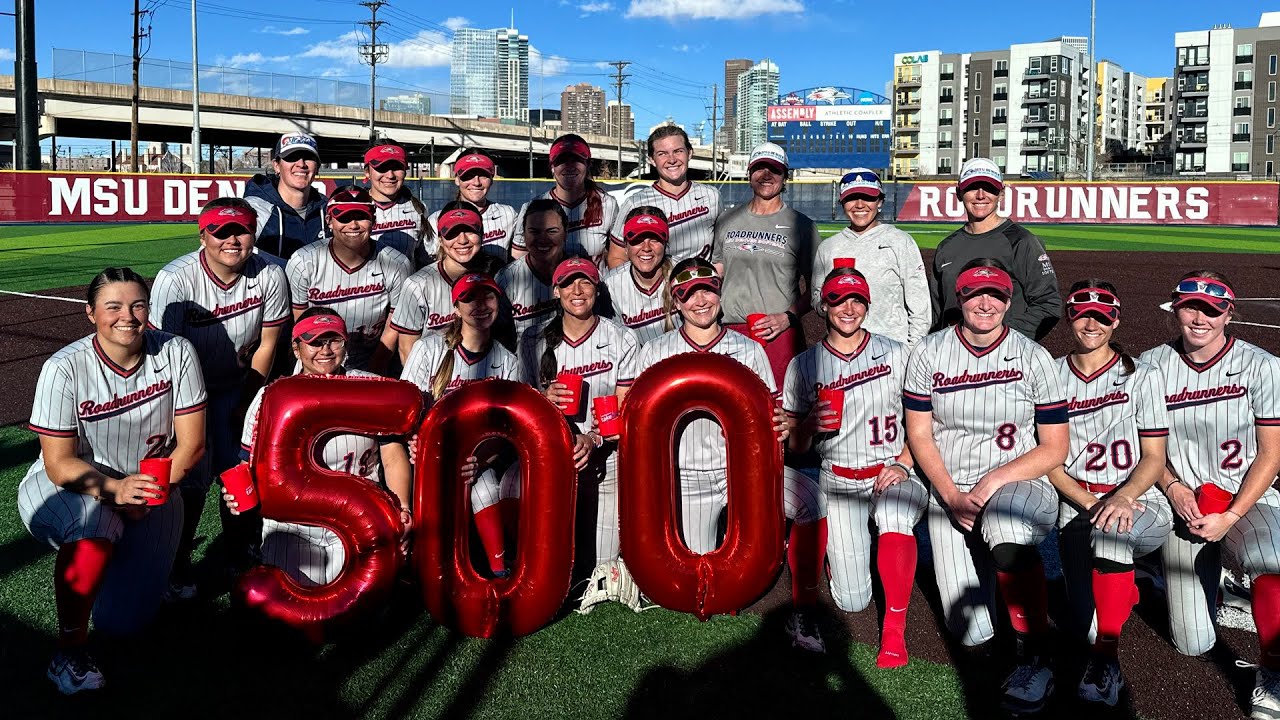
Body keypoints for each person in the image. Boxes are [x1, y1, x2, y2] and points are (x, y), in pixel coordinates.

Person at [17, 268, 207, 694]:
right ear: (90, 314)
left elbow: (191, 446)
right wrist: (116, 491)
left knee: (124, 624)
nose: (128, 316)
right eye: (113, 307)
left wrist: (147, 492)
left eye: (138, 305)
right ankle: (68, 653)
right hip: (67, 487)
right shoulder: (64, 367)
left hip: (150, 485)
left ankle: (110, 566)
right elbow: (60, 464)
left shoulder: (176, 351)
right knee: (95, 521)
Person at [902, 259, 1069, 715]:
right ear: (959, 299)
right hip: (951, 487)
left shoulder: (1032, 355)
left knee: (1006, 531)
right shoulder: (930, 352)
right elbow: (920, 435)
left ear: (1009, 301)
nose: (985, 303)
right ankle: (1002, 605)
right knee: (973, 630)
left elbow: (1054, 447)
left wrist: (995, 479)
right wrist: (952, 495)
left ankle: (1037, 655)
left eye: (995, 294)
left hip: (1018, 481)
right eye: (976, 293)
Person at [636, 257, 826, 653]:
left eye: (707, 290)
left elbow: (772, 415)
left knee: (811, 501)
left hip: (743, 473)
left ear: (720, 294)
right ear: (677, 301)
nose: (700, 301)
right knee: (699, 589)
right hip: (685, 476)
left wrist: (781, 425)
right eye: (689, 295)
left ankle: (804, 606)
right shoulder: (654, 352)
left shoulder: (748, 349)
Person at [1140, 271, 1280, 719]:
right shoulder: (1150, 365)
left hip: (1246, 498)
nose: (1200, 317)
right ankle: (1159, 571)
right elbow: (1148, 449)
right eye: (1190, 307)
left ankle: (1273, 670)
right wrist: (1175, 487)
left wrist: (1232, 514)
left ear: (1228, 313)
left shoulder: (1262, 366)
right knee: (1192, 642)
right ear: (1175, 309)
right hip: (1179, 499)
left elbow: (1272, 455)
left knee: (1271, 560)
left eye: (1212, 309)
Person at [784, 268, 925, 669]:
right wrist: (808, 425)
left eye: (857, 300)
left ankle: (894, 634)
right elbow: (795, 447)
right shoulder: (804, 365)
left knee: (895, 514)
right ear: (823, 306)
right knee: (853, 599)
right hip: (838, 477)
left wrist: (903, 462)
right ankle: (833, 557)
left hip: (893, 471)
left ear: (867, 304)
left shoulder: (897, 354)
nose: (848, 308)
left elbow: (925, 424)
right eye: (838, 300)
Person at [149, 198, 290, 597]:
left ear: (253, 234)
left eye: (240, 230)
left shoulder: (270, 274)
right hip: (184, 395)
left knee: (240, 474)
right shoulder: (175, 278)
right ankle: (175, 563)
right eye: (220, 231)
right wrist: (186, 416)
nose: (232, 239)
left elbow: (268, 344)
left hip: (239, 386)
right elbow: (165, 353)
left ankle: (239, 556)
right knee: (189, 484)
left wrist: (247, 403)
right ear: (203, 235)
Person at [1047, 280, 1172, 707]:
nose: (1092, 323)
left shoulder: (1143, 375)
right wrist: (1089, 502)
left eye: (1103, 316)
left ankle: (1107, 662)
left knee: (1112, 535)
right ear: (1069, 315)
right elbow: (1050, 461)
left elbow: (1154, 458)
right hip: (1079, 502)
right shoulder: (1051, 374)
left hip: (1140, 500)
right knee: (1080, 621)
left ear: (1115, 320)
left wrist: (1120, 498)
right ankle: (1132, 581)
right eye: (1083, 313)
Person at [223, 309, 413, 587]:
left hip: (360, 516)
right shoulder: (270, 396)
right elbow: (246, 461)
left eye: (333, 340)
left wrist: (403, 506)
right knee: (293, 613)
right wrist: (236, 492)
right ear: (297, 348)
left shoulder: (369, 387)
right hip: (293, 523)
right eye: (314, 341)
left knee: (357, 613)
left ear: (346, 343)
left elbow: (392, 455)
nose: (325, 349)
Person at [516, 257, 640, 572]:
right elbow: (519, 411)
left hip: (605, 460)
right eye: (568, 283)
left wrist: (594, 438)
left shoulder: (621, 337)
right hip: (550, 460)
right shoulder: (533, 339)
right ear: (555, 291)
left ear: (597, 289)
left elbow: (624, 408)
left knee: (600, 565)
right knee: (552, 564)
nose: (577, 290)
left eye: (585, 281)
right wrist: (543, 400)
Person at [401, 273, 522, 577]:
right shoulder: (429, 349)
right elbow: (405, 408)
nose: (479, 305)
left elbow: (510, 429)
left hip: (478, 458)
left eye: (488, 297)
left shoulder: (507, 359)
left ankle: (498, 569)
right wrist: (414, 442)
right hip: (429, 454)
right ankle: (423, 568)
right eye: (469, 299)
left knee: (486, 487)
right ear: (455, 307)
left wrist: (484, 458)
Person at [711, 142, 819, 388]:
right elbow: (718, 268)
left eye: (775, 169)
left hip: (777, 333)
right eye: (760, 168)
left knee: (779, 411)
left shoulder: (801, 225)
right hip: (730, 329)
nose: (766, 175)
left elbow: (817, 288)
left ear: (785, 177)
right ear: (749, 174)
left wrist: (787, 317)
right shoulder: (727, 219)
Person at [929, 158, 1061, 341]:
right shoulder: (947, 247)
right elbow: (937, 313)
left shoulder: (1022, 241)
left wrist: (1002, 341)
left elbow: (1049, 304)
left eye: (989, 188)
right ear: (959, 193)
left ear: (1002, 193)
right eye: (973, 187)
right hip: (955, 358)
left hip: (1005, 361)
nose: (981, 195)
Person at [285, 185, 412, 375]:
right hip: (318, 361)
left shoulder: (396, 263)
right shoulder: (303, 261)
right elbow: (300, 324)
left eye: (361, 217)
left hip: (371, 360)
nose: (353, 225)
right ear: (329, 221)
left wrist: (372, 373)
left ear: (374, 220)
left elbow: (392, 328)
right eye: (343, 218)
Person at [809, 169, 931, 348]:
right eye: (852, 198)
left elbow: (920, 307)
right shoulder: (828, 248)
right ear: (842, 202)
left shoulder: (899, 241)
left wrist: (910, 351)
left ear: (880, 202)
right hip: (843, 352)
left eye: (867, 197)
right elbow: (817, 297)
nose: (859, 205)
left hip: (891, 351)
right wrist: (828, 302)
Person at [390, 201, 502, 364]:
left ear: (482, 234)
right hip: (434, 381)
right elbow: (407, 350)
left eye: (470, 230)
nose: (462, 240)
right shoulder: (418, 284)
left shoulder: (497, 274)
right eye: (453, 232)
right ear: (441, 239)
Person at [604, 125, 722, 268]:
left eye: (678, 151)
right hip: (656, 287)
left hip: (699, 286)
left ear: (690, 153)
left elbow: (722, 249)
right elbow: (617, 257)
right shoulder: (635, 203)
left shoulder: (711, 196)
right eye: (662, 154)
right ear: (652, 160)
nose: (672, 159)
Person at [510, 134, 619, 264]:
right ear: (552, 167)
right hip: (547, 283)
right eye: (561, 160)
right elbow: (519, 257)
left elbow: (617, 256)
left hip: (592, 283)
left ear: (588, 164)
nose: (569, 166)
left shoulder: (607, 204)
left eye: (576, 159)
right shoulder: (532, 208)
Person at [243, 132, 328, 263]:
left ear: (317, 167)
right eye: (292, 157)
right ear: (276, 166)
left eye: (308, 157)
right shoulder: (255, 209)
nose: (301, 163)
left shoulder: (328, 209)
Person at [601, 206, 681, 344]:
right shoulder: (611, 284)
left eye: (654, 239)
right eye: (638, 240)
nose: (646, 248)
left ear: (665, 243)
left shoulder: (682, 273)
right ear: (625, 246)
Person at [427, 148, 518, 263]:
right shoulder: (436, 219)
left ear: (492, 179)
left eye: (483, 175)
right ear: (457, 179)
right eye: (468, 175)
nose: (476, 182)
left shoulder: (508, 214)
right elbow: (429, 266)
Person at [497, 198, 569, 338]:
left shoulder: (582, 274)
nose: (543, 238)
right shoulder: (506, 278)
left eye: (552, 231)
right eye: (534, 232)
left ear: (566, 233)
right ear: (524, 234)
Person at [364, 138, 432, 270]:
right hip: (365, 289)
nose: (390, 175)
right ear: (367, 172)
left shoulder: (418, 208)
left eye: (397, 167)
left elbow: (425, 261)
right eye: (381, 167)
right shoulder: (354, 207)